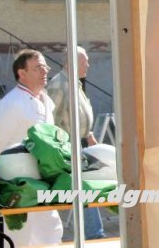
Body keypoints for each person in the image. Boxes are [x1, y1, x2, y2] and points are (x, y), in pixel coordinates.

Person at [0, 49, 63, 246]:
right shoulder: (11, 104)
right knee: (19, 236)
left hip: (44, 182)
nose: (45, 71)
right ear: (22, 73)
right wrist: (5, 180)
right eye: (38, 67)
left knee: (50, 233)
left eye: (45, 66)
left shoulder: (46, 101)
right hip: (18, 186)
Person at [46, 46, 105, 239]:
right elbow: (51, 122)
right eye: (84, 61)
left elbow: (74, 116)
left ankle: (94, 233)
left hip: (77, 143)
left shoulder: (73, 83)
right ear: (71, 62)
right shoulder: (59, 85)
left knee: (84, 188)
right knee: (82, 188)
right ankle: (94, 234)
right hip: (67, 146)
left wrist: (88, 134)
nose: (88, 65)